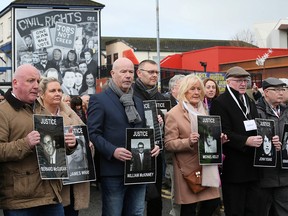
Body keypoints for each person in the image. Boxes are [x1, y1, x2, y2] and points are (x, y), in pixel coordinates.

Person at [0, 64, 76, 216]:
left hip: (50, 195)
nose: (36, 86)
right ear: (15, 83)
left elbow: (51, 148)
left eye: (38, 81)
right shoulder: (3, 111)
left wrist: (68, 145)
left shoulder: (42, 109)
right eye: (30, 81)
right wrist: (26, 143)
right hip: (20, 200)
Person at [87, 57, 160, 215]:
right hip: (113, 171)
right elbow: (93, 133)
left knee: (136, 213)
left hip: (138, 171)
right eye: (123, 72)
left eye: (130, 72)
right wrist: (113, 151)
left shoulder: (138, 102)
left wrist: (153, 146)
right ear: (113, 73)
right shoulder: (99, 100)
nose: (128, 75)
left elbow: (143, 131)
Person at [210, 66, 264, 216]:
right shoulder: (220, 102)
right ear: (228, 81)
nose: (243, 83)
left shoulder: (249, 100)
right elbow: (223, 132)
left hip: (252, 166)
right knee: (235, 208)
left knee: (253, 209)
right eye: (238, 80)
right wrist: (246, 141)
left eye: (245, 80)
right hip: (234, 166)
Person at [165, 74, 221, 216]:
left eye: (198, 89)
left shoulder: (204, 110)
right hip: (187, 168)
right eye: (192, 89)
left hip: (207, 166)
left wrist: (219, 139)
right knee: (188, 209)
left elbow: (208, 136)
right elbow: (169, 144)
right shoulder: (174, 114)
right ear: (184, 91)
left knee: (213, 202)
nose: (196, 92)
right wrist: (188, 141)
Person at [38, 76, 92, 216]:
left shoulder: (70, 113)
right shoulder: (35, 114)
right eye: (52, 90)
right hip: (47, 184)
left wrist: (86, 144)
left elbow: (85, 141)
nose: (57, 93)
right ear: (42, 94)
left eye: (59, 90)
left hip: (73, 180)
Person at [134, 59, 165, 216]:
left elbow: (169, 125)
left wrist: (162, 121)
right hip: (136, 152)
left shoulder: (161, 96)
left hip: (157, 153)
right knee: (135, 200)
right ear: (139, 73)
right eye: (150, 72)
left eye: (156, 72)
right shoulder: (130, 93)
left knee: (155, 197)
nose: (154, 75)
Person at [255, 77, 286, 216]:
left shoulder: (286, 111)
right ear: (266, 92)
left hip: (285, 175)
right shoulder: (255, 111)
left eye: (283, 89)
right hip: (264, 175)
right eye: (276, 90)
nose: (281, 93)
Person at [163, 74, 185, 216]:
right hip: (173, 156)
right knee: (177, 193)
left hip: (189, 155)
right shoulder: (165, 102)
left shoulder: (190, 103)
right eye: (183, 85)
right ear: (174, 88)